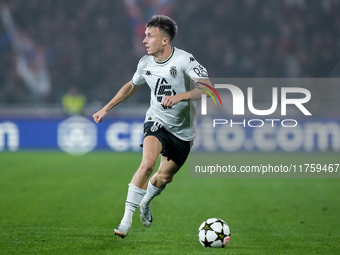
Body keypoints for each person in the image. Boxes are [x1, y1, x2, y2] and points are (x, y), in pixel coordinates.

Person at [93, 15, 212, 238]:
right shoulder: (145, 63)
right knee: (147, 164)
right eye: (144, 35)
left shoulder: (185, 60)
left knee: (163, 178)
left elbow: (207, 89)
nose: (144, 40)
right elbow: (131, 86)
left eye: (150, 36)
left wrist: (180, 97)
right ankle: (126, 220)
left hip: (183, 131)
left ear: (165, 40)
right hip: (156, 121)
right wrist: (106, 108)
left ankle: (146, 202)